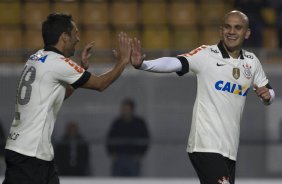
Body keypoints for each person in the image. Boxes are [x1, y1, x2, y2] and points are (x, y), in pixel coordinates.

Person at [130, 10, 275, 184]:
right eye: (227, 27)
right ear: (221, 30)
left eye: (238, 28)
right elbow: (176, 62)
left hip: (229, 150)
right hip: (205, 144)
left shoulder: (252, 62)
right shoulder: (206, 54)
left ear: (247, 33)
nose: (231, 32)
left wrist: (268, 96)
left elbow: (269, 92)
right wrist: (144, 64)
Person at [3, 13, 132, 184]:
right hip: (30, 155)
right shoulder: (58, 63)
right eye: (75, 33)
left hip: (32, 152)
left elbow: (57, 97)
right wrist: (123, 62)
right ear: (64, 37)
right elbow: (100, 84)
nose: (77, 39)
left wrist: (79, 70)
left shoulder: (36, 57)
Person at [106, 98, 150, 177]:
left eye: (126, 109)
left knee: (133, 179)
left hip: (133, 157)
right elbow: (109, 138)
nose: (124, 111)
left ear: (132, 110)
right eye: (123, 108)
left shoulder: (139, 123)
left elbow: (145, 139)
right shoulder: (117, 123)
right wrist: (112, 153)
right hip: (119, 157)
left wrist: (141, 154)